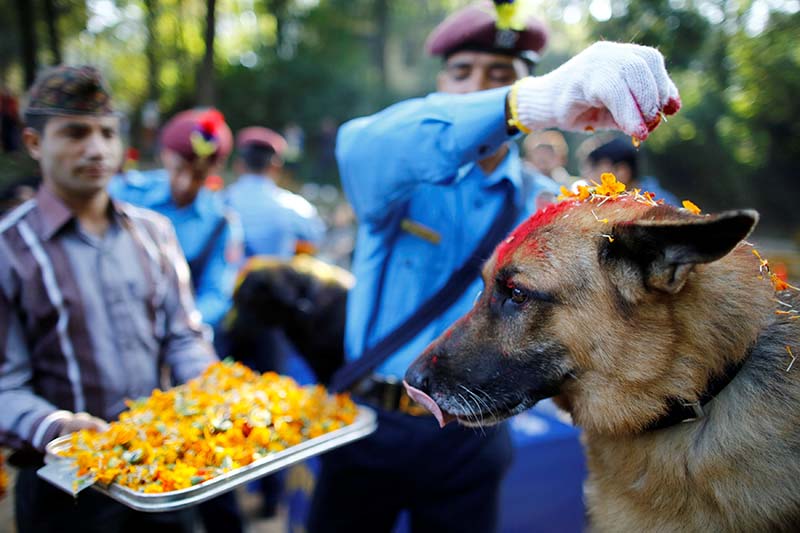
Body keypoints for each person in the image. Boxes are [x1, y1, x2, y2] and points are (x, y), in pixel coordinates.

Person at [308, 1, 680, 532]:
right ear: (440, 85)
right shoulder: (395, 178)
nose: (479, 88)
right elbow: (359, 145)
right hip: (370, 424)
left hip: (472, 435)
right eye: (464, 74)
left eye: (499, 76)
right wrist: (518, 101)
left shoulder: (545, 209)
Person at [0, 65, 217, 532]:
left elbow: (183, 335)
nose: (97, 149)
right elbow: (3, 387)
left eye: (106, 133)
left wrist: (207, 385)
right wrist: (57, 427)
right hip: (65, 485)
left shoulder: (155, 234)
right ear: (35, 143)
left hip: (165, 472)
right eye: (75, 133)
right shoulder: (8, 250)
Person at [109, 108, 243, 330]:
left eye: (199, 176)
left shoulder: (221, 222)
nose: (185, 184)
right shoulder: (126, 194)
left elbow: (215, 295)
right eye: (179, 169)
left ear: (215, 169)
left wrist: (181, 327)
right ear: (165, 155)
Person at [225, 126, 325, 259]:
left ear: (238, 164)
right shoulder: (294, 207)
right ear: (276, 167)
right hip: (272, 278)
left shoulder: (220, 202)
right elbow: (317, 237)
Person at [581, 135, 679, 205]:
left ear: (622, 171)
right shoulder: (605, 202)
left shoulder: (659, 206)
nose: (586, 176)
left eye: (593, 169)